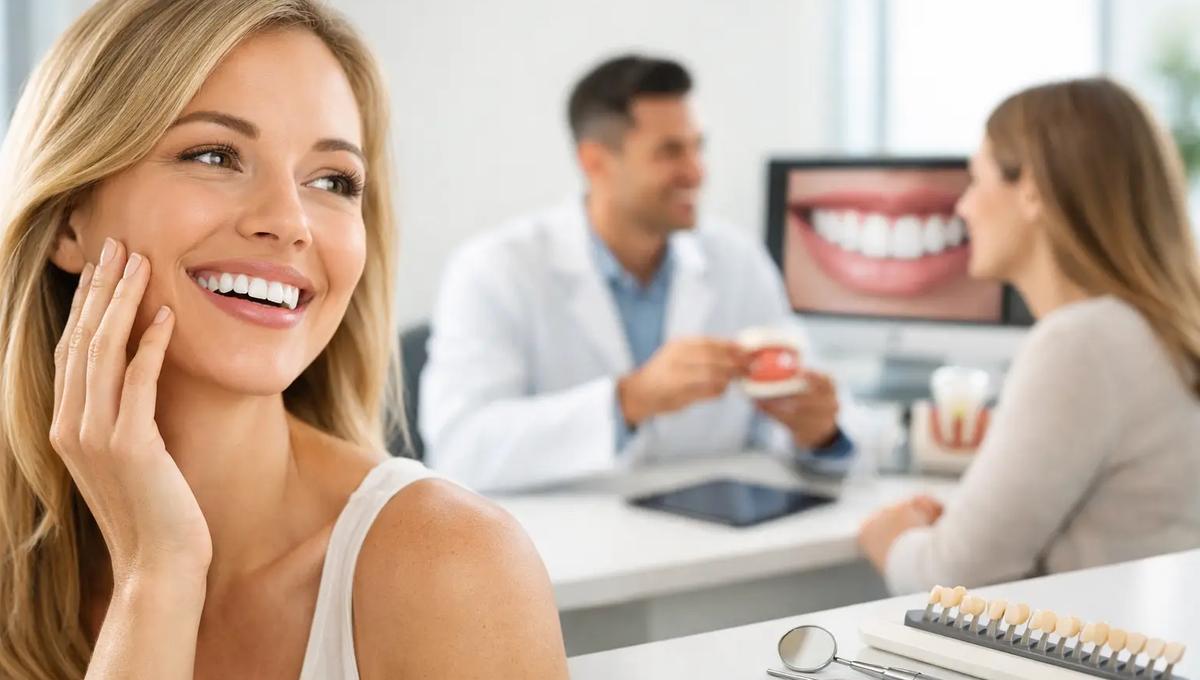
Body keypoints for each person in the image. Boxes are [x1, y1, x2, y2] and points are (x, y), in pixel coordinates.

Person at [0, 1, 568, 678]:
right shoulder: (16, 561)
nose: (290, 221)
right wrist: (159, 578)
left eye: (332, 180)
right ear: (68, 220)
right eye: (214, 155)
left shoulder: (453, 566)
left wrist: (158, 575)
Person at [420, 54, 855, 492]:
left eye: (698, 146)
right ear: (596, 162)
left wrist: (817, 432)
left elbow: (787, 428)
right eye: (670, 151)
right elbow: (461, 449)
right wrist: (631, 399)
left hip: (716, 542)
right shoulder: (495, 270)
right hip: (565, 551)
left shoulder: (738, 262)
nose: (697, 172)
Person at [858, 78, 1200, 595]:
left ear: (1033, 191)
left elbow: (949, 577)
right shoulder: (1154, 328)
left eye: (977, 180)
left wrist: (894, 539)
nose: (963, 208)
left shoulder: (1082, 345)